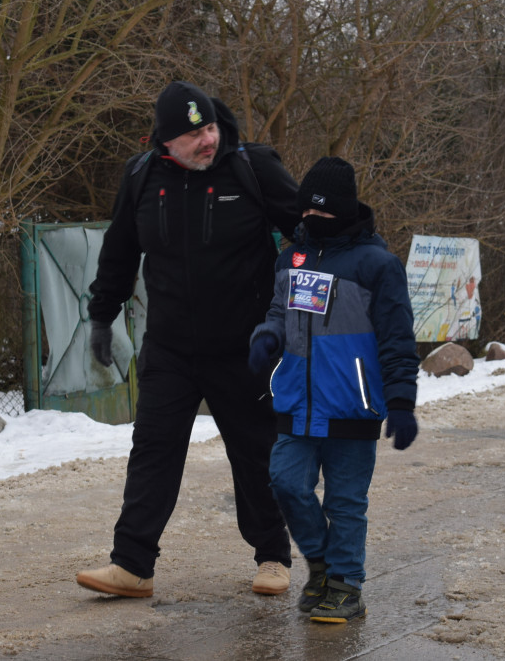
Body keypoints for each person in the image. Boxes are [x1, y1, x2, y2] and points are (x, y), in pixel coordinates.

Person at [76, 80, 301, 598]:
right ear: (165, 143)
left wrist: (307, 297)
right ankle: (133, 565)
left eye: (210, 127)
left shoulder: (252, 168)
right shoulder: (141, 177)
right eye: (194, 133)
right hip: (172, 347)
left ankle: (272, 555)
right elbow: (118, 253)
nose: (207, 139)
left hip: (246, 347)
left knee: (254, 452)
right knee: (152, 448)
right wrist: (102, 317)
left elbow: (308, 232)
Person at [247, 156, 420, 623]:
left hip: (352, 406)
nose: (313, 220)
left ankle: (345, 586)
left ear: (345, 211)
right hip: (297, 405)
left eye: (323, 213)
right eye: (308, 212)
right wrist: (266, 337)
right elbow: (280, 315)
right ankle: (323, 565)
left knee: (345, 503)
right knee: (285, 483)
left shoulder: (377, 266)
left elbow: (398, 339)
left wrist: (401, 401)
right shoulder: (292, 257)